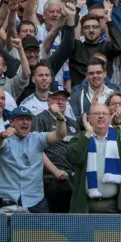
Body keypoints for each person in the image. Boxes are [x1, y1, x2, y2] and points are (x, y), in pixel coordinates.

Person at [0, 105, 67, 213]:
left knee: (46, 230)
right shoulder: (5, 140)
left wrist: (59, 116)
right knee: (3, 230)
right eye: (21, 119)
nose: (25, 122)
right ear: (11, 122)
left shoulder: (37, 139)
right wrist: (1, 135)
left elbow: (60, 135)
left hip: (35, 200)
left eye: (28, 119)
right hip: (8, 200)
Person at [67, 103, 121, 213]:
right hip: (85, 207)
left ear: (110, 118)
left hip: (114, 205)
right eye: (96, 113)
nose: (101, 116)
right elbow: (74, 158)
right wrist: (88, 134)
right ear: (88, 118)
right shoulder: (80, 138)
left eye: (104, 113)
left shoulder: (119, 137)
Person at [30, 82, 79, 213]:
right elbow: (35, 149)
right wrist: (55, 171)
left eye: (63, 99)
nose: (60, 102)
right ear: (48, 100)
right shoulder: (39, 119)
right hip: (50, 179)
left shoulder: (73, 123)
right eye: (56, 98)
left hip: (72, 177)